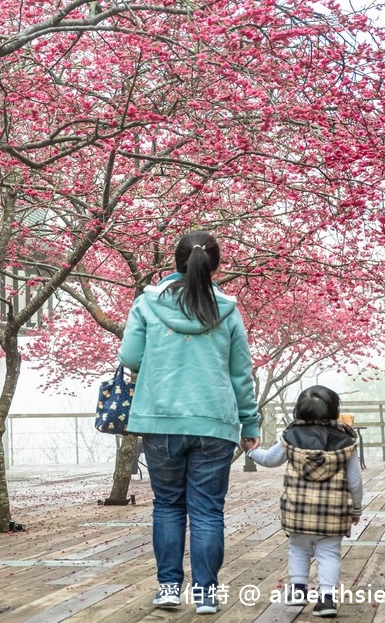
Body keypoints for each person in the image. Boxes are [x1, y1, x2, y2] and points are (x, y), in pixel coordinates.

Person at [118, 230, 259, 615]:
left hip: (160, 419)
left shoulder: (147, 304)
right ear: (214, 265)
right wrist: (250, 425)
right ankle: (206, 594)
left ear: (175, 261)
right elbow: (240, 375)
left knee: (167, 505)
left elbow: (130, 358)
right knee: (208, 510)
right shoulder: (227, 310)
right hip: (214, 423)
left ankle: (167, 588)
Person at [247, 385, 363, 618]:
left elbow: (270, 459)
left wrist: (251, 451)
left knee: (298, 549)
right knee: (329, 554)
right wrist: (356, 508)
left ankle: (298, 591)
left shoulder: (290, 437)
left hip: (297, 512)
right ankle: (326, 600)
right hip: (333, 514)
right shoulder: (345, 441)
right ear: (334, 410)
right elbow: (355, 481)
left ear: (298, 411)